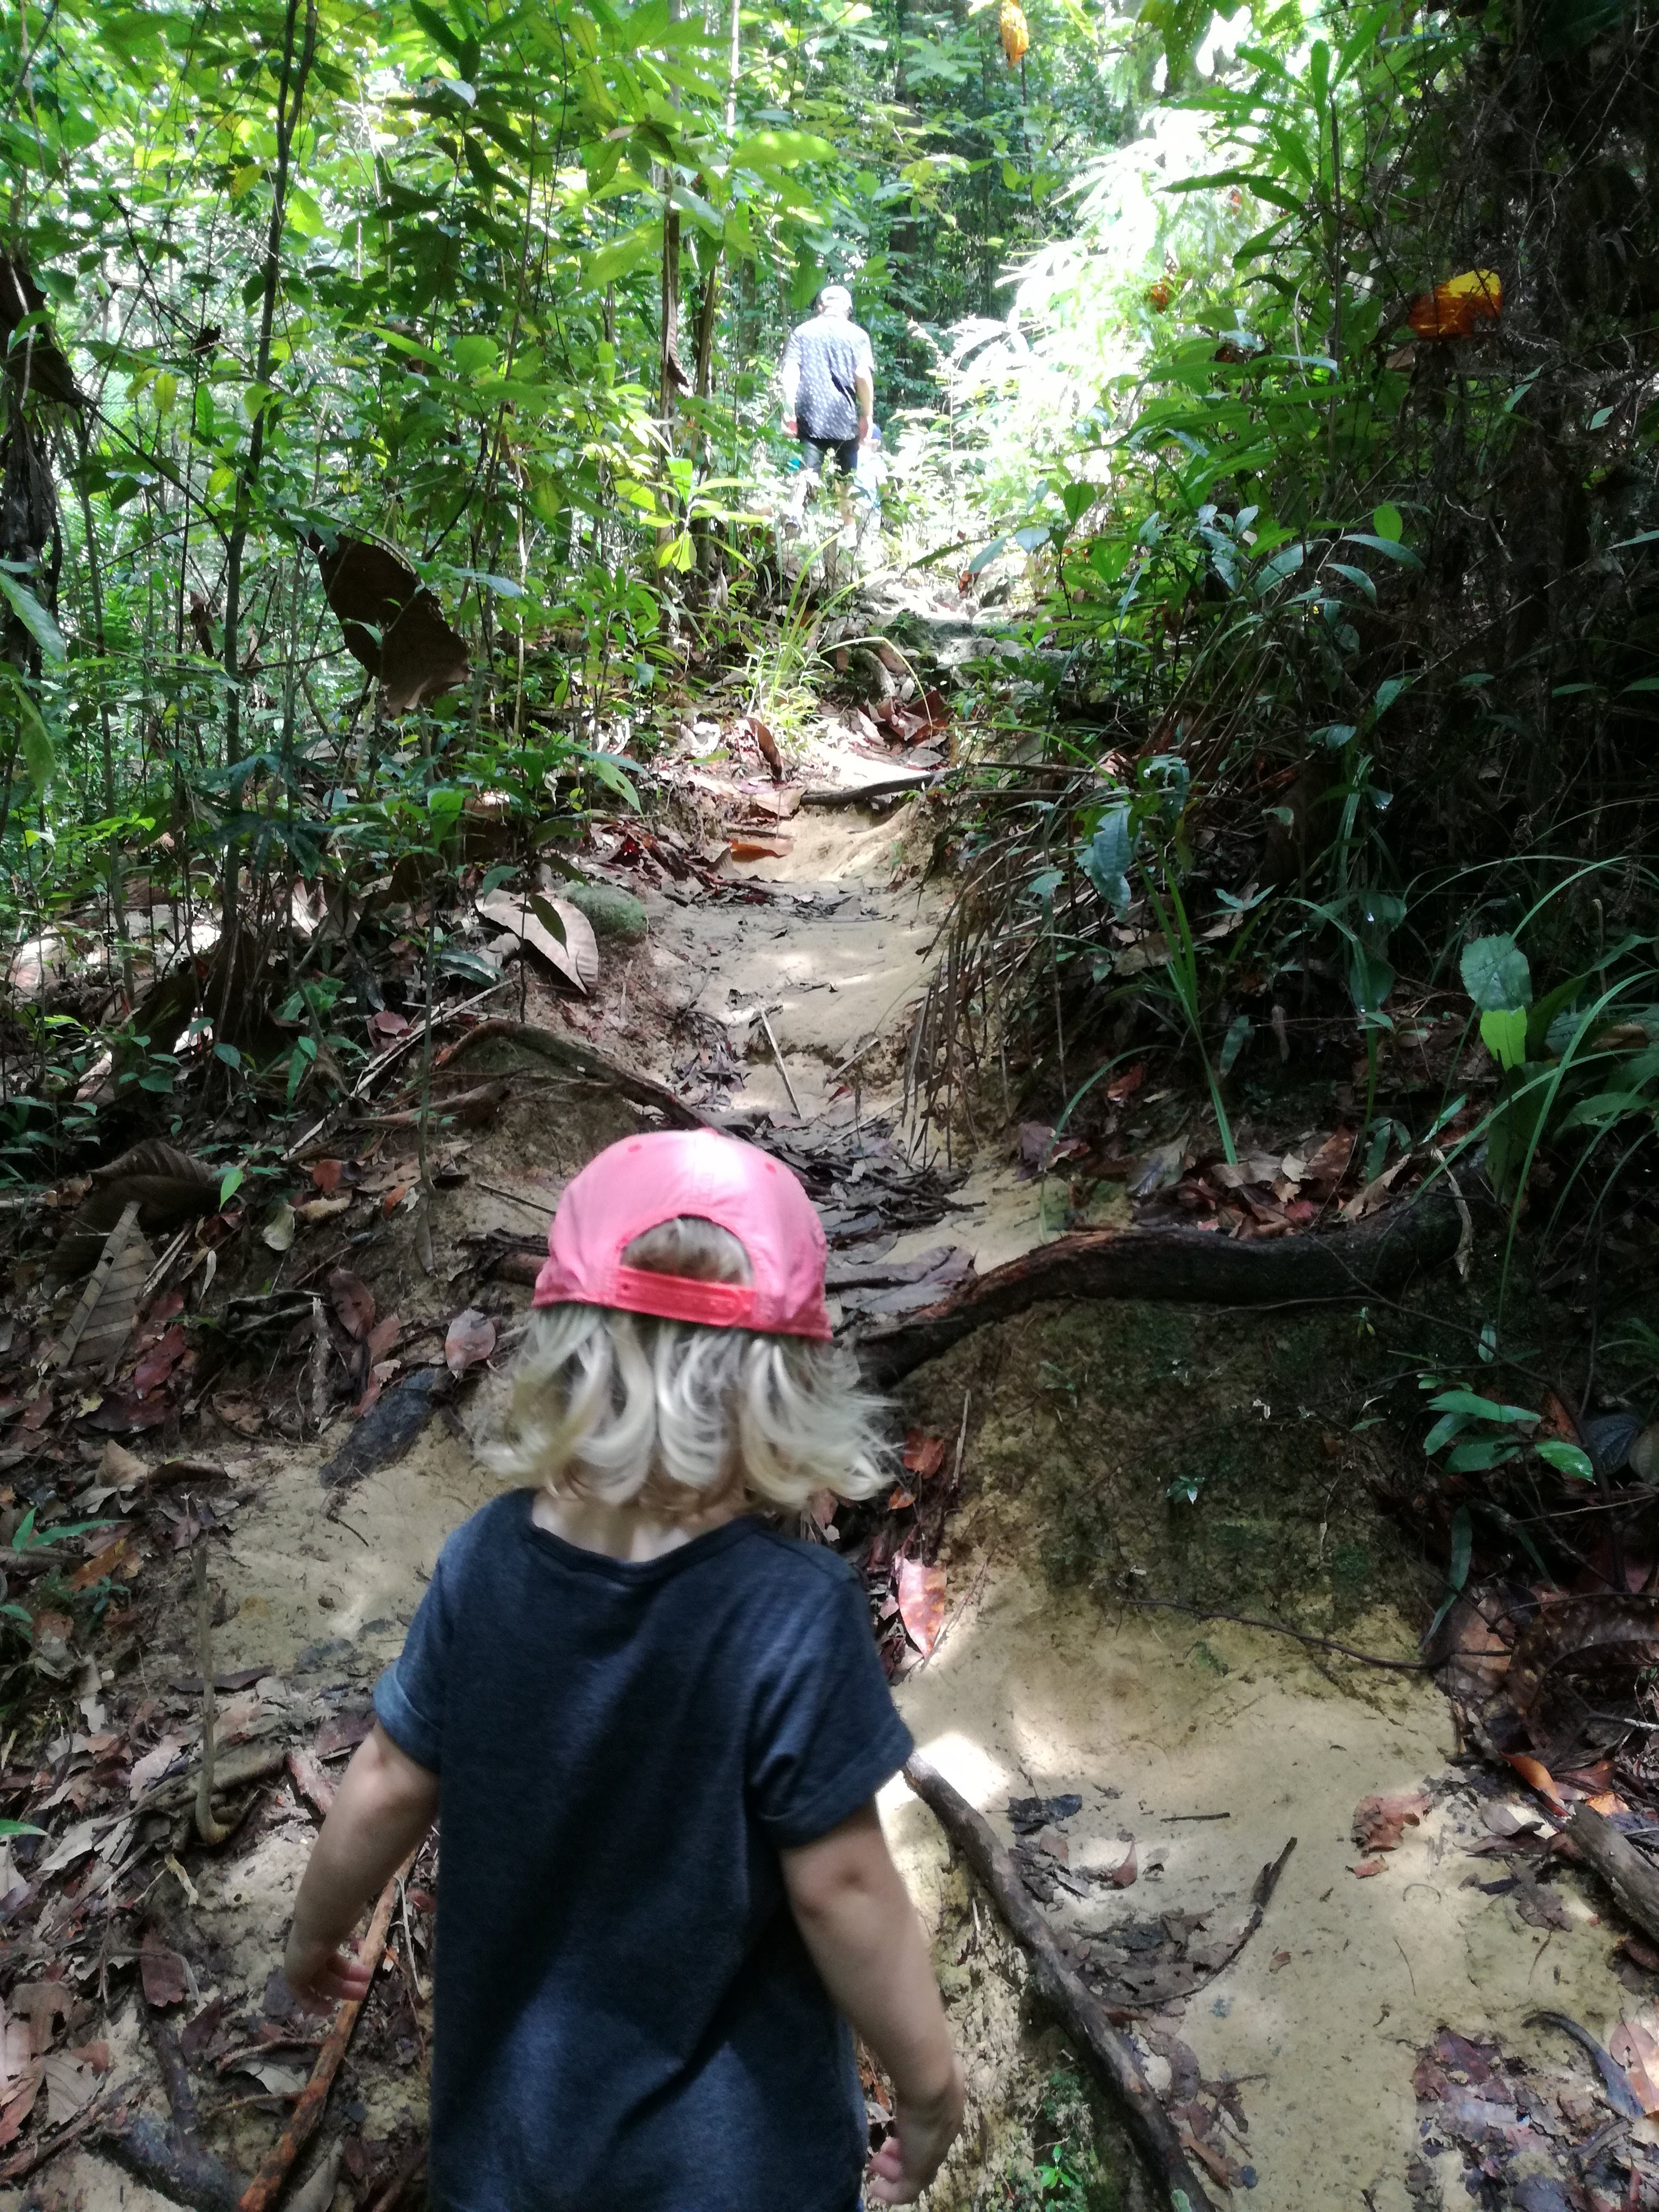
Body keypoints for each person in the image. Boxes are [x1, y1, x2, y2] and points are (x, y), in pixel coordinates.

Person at [281, 1129, 965, 2212]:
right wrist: (928, 2085)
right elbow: (840, 1886)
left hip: (513, 2156)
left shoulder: (487, 1558)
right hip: (737, 2171)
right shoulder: (793, 1612)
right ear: (785, 1387)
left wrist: (314, 1930)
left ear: (563, 1358)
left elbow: (386, 1781)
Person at [781, 283, 875, 526]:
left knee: (807, 472)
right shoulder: (858, 336)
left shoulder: (803, 332)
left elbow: (791, 370)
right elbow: (863, 375)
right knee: (846, 484)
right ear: (847, 309)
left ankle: (795, 515)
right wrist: (867, 415)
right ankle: (849, 536)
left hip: (811, 415)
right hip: (844, 418)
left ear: (821, 307)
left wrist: (789, 409)